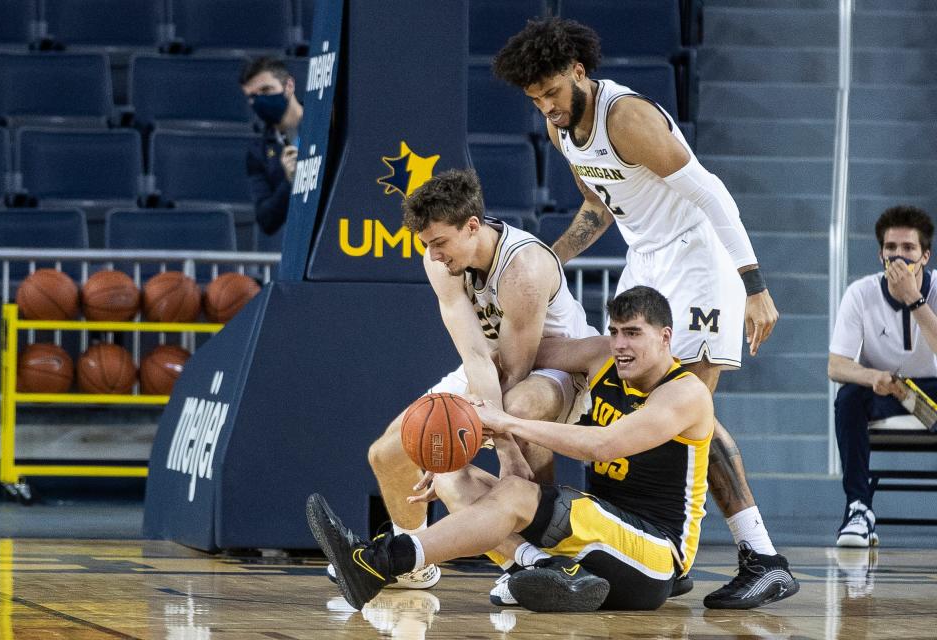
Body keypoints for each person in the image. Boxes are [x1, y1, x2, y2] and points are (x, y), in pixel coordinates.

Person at [490, 17, 796, 608]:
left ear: (579, 70)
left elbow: (710, 192)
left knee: (687, 408)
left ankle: (760, 556)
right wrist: (547, 261)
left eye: (552, 92)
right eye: (535, 100)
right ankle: (657, 553)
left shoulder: (625, 117)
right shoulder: (564, 133)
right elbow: (599, 206)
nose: (547, 108)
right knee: (644, 402)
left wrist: (753, 284)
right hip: (648, 259)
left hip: (699, 257)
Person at [308, 286, 722, 612]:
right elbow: (522, 351)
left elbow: (603, 445)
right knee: (453, 474)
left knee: (519, 493)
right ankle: (545, 568)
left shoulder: (685, 394)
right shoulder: (602, 357)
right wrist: (478, 365)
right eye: (614, 332)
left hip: (655, 556)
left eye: (633, 333)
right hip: (602, 537)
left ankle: (380, 562)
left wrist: (509, 423)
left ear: (666, 337)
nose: (620, 344)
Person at [361, 168, 598, 591]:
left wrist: (503, 446)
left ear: (472, 226)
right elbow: (476, 356)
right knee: (388, 453)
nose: (433, 255)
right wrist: (447, 445)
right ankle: (412, 557)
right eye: (426, 245)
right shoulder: (440, 263)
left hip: (559, 366)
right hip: (490, 361)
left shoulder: (523, 268)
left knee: (521, 408)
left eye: (439, 243)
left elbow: (518, 368)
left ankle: (550, 551)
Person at [828, 205, 937, 547]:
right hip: (887, 389)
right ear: (880, 255)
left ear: (925, 256)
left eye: (908, 249)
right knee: (848, 396)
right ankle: (859, 509)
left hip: (932, 392)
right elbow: (836, 365)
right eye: (891, 249)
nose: (899, 257)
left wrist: (915, 301)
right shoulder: (860, 293)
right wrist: (871, 375)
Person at [239, 57, 304, 237]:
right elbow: (266, 220)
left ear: (289, 85)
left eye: (266, 90)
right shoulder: (258, 152)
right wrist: (289, 182)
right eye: (253, 96)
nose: (260, 100)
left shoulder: (325, 123)